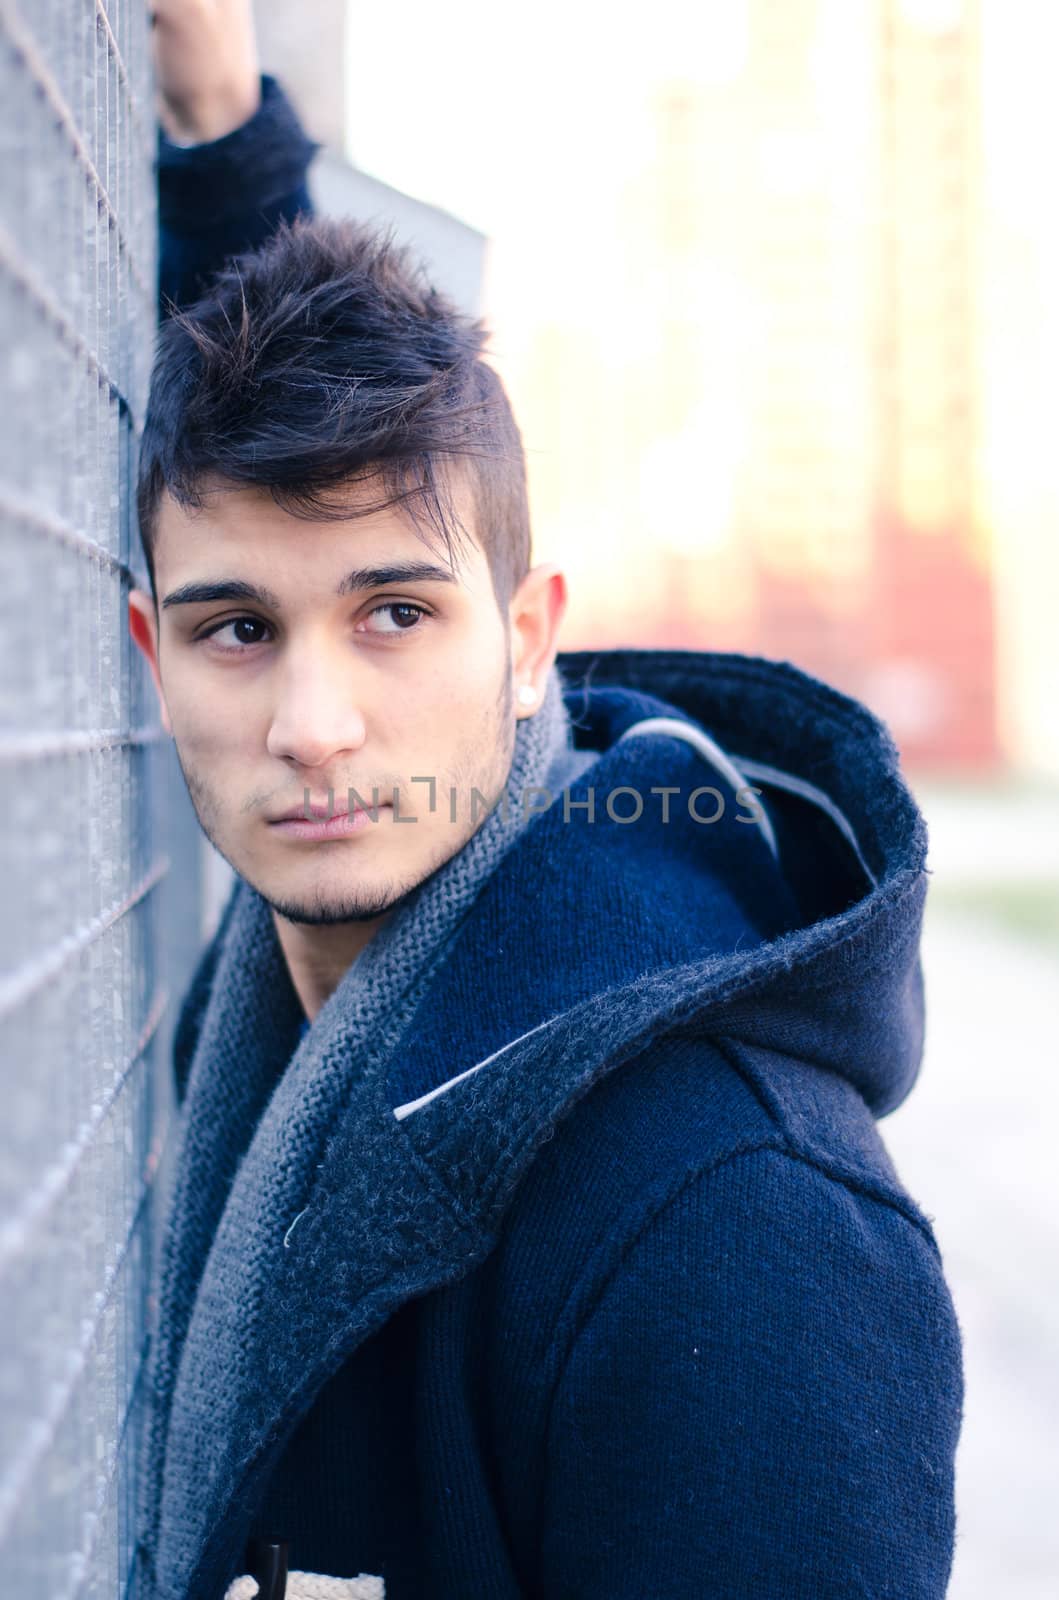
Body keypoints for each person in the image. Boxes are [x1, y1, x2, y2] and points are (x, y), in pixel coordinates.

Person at [130, 5, 965, 1597]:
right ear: (152, 658)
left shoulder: (732, 1222)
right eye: (237, 630)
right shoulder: (324, 989)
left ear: (527, 646)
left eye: (396, 618)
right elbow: (297, 482)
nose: (316, 728)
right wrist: (223, 130)